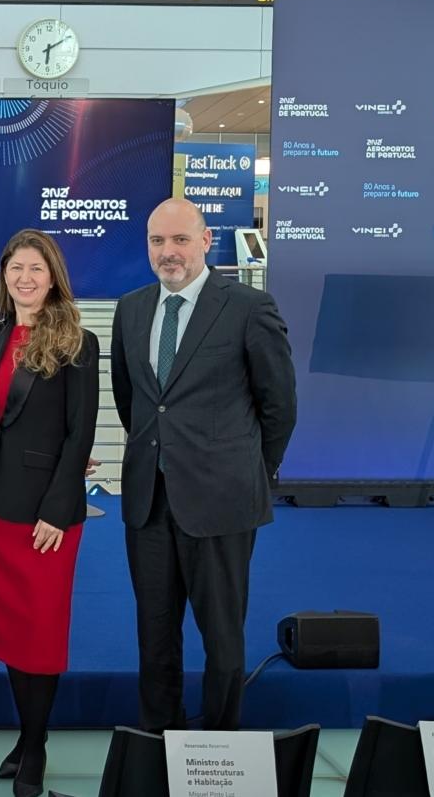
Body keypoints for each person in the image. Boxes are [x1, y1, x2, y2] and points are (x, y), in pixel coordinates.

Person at [110, 197, 296, 732]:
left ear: (206, 240)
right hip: (148, 501)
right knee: (154, 634)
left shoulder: (249, 307)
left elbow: (279, 406)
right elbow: (133, 401)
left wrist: (248, 473)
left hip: (223, 502)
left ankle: (219, 748)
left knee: (222, 638)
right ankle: (156, 739)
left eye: (180, 239)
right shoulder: (131, 308)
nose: (168, 252)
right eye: (157, 241)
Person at [0, 229, 99, 797]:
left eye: (36, 269)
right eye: (16, 268)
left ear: (53, 278)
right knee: (10, 629)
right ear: (4, 275)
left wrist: (58, 505)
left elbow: (80, 433)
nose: (25, 278)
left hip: (48, 516)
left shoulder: (78, 341)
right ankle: (25, 738)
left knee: (41, 632)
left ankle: (36, 744)